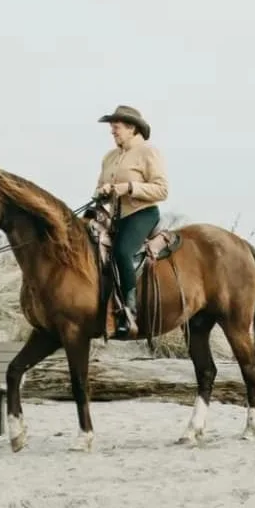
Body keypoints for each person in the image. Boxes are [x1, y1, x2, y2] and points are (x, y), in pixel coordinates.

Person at [93, 105, 169, 337]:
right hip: (113, 217)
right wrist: (102, 192)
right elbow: (97, 188)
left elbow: (162, 190)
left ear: (131, 128)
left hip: (141, 214)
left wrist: (128, 188)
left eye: (115, 127)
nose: (112, 132)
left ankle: (129, 309)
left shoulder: (148, 152)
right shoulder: (109, 157)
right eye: (112, 128)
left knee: (122, 252)